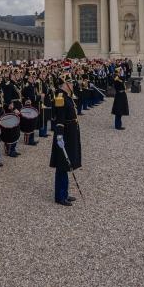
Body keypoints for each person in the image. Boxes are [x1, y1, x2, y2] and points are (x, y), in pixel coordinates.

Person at [50, 74, 81, 206]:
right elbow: (60, 118)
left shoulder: (67, 96)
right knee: (62, 165)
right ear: (65, 84)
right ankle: (59, 196)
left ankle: (65, 193)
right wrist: (59, 135)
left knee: (67, 165)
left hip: (71, 133)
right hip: (65, 134)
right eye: (70, 83)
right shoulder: (60, 97)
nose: (72, 85)